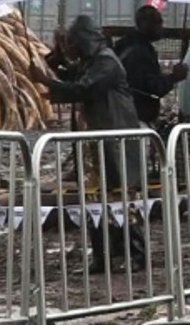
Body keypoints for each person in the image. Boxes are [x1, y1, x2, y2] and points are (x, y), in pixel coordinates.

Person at [33, 15, 145, 274]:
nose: (70, 47)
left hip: (116, 140)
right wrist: (55, 62)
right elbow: (72, 76)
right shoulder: (91, 62)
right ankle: (102, 256)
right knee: (95, 198)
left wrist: (46, 80)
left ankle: (136, 253)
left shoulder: (106, 61)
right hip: (96, 140)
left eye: (72, 42)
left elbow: (82, 88)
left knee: (121, 197)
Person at [114, 6, 189, 129]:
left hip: (122, 114)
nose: (161, 27)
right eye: (158, 22)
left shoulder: (124, 45)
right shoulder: (141, 53)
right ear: (145, 24)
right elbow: (153, 88)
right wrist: (174, 77)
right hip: (138, 118)